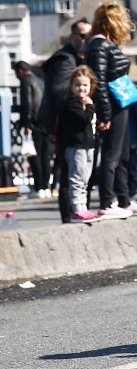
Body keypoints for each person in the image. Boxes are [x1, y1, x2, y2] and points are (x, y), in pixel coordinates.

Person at [85, 1, 137, 220]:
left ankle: (124, 200)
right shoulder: (100, 45)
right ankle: (107, 202)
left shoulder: (102, 44)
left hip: (119, 104)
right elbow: (98, 80)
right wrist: (105, 113)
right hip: (113, 105)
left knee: (122, 154)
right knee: (112, 155)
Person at [42, 19, 91, 222]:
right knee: (67, 172)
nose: (86, 39)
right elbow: (59, 93)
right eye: (82, 35)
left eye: (89, 35)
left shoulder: (78, 59)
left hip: (76, 126)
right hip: (66, 128)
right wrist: (83, 105)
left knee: (80, 172)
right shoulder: (64, 59)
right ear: (72, 37)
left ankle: (79, 211)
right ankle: (69, 215)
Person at [58, 66, 101, 224]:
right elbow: (84, 120)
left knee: (85, 179)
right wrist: (90, 106)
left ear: (91, 86)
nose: (81, 88)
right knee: (76, 178)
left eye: (85, 85)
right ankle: (77, 209)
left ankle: (83, 207)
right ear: (71, 86)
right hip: (76, 146)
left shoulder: (82, 103)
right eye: (77, 85)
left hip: (88, 146)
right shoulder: (72, 103)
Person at [15, 61, 49, 198]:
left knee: (34, 155)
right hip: (45, 122)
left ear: (20, 71)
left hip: (34, 123)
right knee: (45, 156)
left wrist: (26, 124)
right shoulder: (40, 80)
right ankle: (46, 187)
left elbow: (27, 103)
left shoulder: (25, 81)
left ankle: (39, 187)